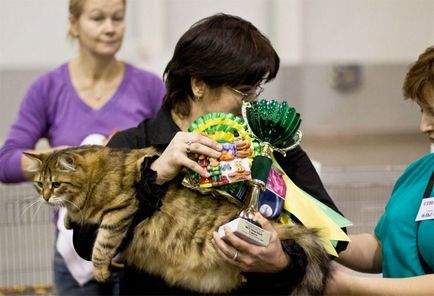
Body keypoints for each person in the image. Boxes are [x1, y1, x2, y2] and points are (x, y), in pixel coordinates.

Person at [70, 13, 348, 295]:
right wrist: (153, 176)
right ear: (198, 84)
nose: (249, 104)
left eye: (255, 91)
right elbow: (85, 242)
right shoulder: (134, 144)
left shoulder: (267, 141)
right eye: (242, 91)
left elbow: (332, 236)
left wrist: (281, 261)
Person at [0, 0, 165, 295]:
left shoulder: (150, 87)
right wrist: (55, 159)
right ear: (74, 24)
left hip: (141, 249)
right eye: (98, 18)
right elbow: (6, 162)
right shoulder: (47, 88)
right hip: (76, 248)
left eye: (118, 18)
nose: (110, 28)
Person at [326, 46, 434, 295]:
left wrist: (350, 286)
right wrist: (320, 238)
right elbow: (384, 247)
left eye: (433, 112)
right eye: (421, 110)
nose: (423, 125)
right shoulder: (419, 172)